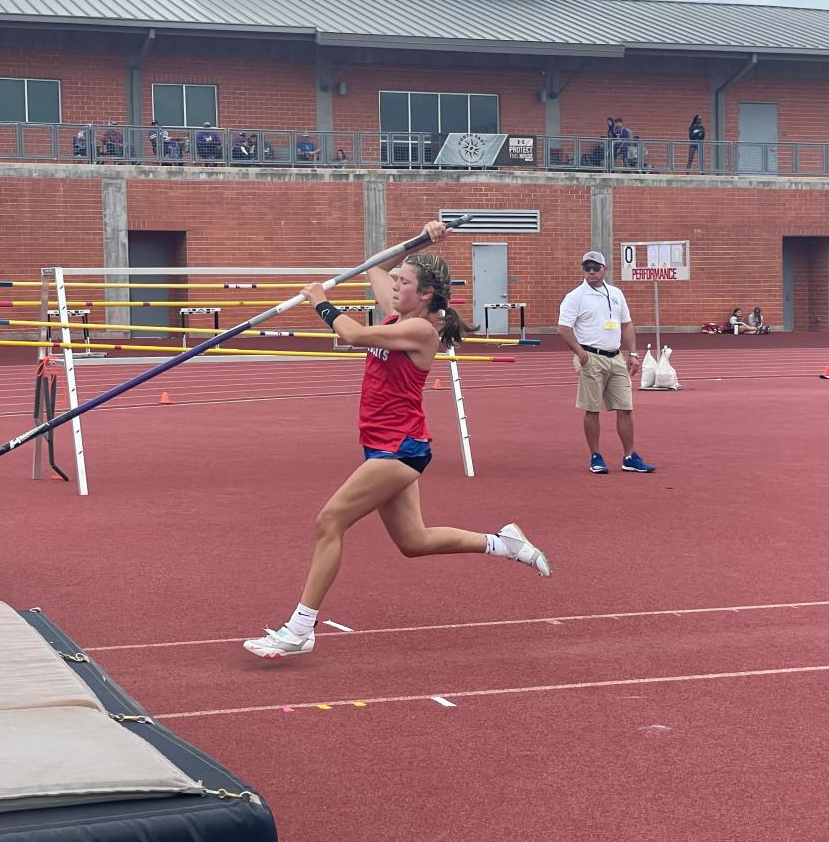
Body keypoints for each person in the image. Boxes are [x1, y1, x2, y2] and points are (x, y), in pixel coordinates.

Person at [242, 222, 552, 660]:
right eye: (398, 281)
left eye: (404, 283)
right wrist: (423, 239)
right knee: (413, 542)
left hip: (400, 448)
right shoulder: (396, 315)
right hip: (384, 445)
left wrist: (320, 301)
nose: (394, 286)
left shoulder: (421, 331)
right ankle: (505, 544)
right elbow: (376, 266)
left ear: (424, 294)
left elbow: (350, 334)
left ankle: (300, 629)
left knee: (329, 523)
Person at [558, 251, 655, 474]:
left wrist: (633, 354)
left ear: (604, 269)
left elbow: (627, 324)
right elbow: (564, 328)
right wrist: (582, 355)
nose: (591, 272)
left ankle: (630, 456)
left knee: (625, 408)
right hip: (591, 357)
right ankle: (596, 456)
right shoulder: (575, 296)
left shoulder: (616, 293)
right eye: (586, 268)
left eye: (595, 268)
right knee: (592, 410)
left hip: (616, 357)